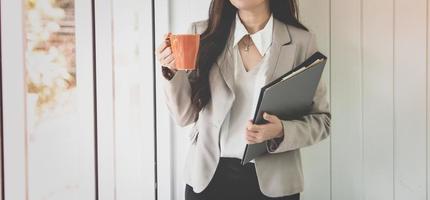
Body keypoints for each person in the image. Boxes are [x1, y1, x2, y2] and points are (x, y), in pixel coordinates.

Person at [156, 0, 331, 199]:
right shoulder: (201, 34)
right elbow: (183, 117)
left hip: (274, 184)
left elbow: (322, 121)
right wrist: (172, 73)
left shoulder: (302, 42)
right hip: (207, 181)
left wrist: (280, 130)